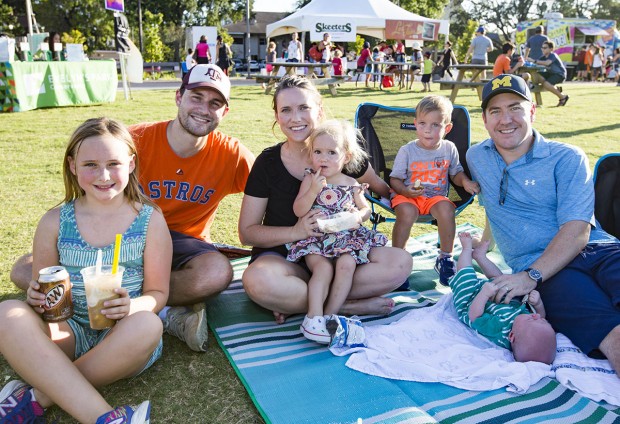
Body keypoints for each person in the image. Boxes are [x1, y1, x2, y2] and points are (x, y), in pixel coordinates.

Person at [10, 65, 255, 353]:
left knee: (216, 272)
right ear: (179, 97)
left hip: (184, 242)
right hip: (123, 231)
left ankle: (147, 305)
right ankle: (141, 308)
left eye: (215, 103)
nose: (203, 108)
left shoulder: (232, 153)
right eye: (196, 97)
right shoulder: (133, 141)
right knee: (23, 270)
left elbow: (268, 187)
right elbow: (93, 178)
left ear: (225, 112)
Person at [0, 118, 171, 423]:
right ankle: (107, 418)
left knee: (149, 324)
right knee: (7, 314)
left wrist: (133, 305)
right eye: (90, 164)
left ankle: (40, 396)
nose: (103, 175)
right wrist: (36, 297)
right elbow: (43, 287)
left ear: (131, 164)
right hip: (67, 331)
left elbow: (158, 293)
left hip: (124, 335)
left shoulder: (150, 220)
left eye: (113, 163)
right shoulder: (54, 221)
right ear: (72, 166)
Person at [466, 73, 620, 377]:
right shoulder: (476, 157)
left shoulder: (567, 157)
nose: (505, 119)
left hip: (598, 250)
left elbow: (577, 230)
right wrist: (486, 247)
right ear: (484, 119)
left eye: (515, 108)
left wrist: (529, 277)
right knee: (611, 333)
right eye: (495, 111)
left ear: (532, 112)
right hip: (546, 273)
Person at [238, 75, 412, 326]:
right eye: (286, 110)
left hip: (342, 254)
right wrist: (296, 231)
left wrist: (412, 200)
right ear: (277, 116)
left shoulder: (340, 152)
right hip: (287, 259)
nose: (295, 118)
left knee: (400, 263)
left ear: (319, 109)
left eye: (304, 108)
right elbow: (247, 233)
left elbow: (383, 189)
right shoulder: (268, 162)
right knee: (258, 281)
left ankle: (304, 303)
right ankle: (346, 306)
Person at [287, 120, 388, 343]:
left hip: (344, 239)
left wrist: (356, 217)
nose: (323, 158)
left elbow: (365, 210)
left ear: (346, 157)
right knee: (322, 269)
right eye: (318, 152)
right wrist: (313, 191)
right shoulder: (311, 179)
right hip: (316, 239)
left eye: (332, 152)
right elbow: (298, 210)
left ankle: (331, 314)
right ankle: (313, 318)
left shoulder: (352, 183)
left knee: (347, 264)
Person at [389, 95, 479, 286]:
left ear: (447, 128)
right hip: (407, 196)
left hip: (435, 197)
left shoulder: (449, 148)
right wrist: (405, 191)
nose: (427, 130)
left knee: (447, 210)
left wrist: (466, 183)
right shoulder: (407, 150)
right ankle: (397, 261)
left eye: (435, 125)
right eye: (422, 123)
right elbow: (394, 179)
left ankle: (445, 258)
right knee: (407, 212)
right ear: (415, 124)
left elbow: (456, 173)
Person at [451, 232, 557, 364]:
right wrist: (538, 303)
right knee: (502, 281)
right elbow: (541, 315)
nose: (536, 317)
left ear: (511, 336)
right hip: (499, 298)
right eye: (543, 322)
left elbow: (474, 316)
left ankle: (466, 249)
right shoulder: (529, 325)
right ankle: (480, 257)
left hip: (471, 301)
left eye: (532, 319)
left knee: (465, 278)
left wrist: (483, 294)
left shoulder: (500, 331)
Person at [526, 40, 569, 106]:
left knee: (546, 84)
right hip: (551, 74)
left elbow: (547, 63)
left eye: (545, 48)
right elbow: (538, 64)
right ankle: (535, 86)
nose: (543, 49)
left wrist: (534, 61)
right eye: (542, 48)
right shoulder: (543, 57)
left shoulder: (553, 55)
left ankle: (563, 97)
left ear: (551, 49)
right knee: (536, 74)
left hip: (559, 74)